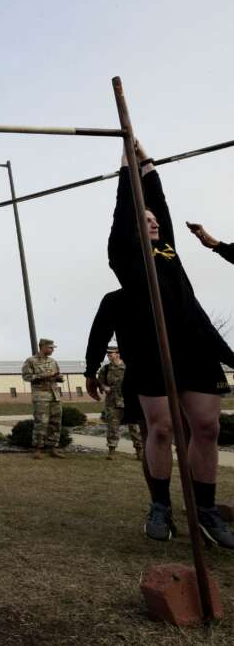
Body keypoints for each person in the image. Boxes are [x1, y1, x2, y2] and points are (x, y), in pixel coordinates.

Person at [108, 140, 234, 547]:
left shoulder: (168, 249)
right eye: (146, 220)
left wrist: (145, 157)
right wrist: (128, 162)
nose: (155, 223)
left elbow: (157, 200)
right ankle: (160, 505)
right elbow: (127, 203)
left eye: (156, 221)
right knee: (161, 429)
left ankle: (206, 511)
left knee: (207, 427)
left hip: (193, 344)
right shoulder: (123, 253)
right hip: (151, 349)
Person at [96, 346, 142, 460]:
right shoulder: (105, 369)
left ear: (118, 354)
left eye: (111, 353)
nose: (109, 355)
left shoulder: (129, 366)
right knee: (113, 427)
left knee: (135, 427)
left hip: (130, 401)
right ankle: (111, 451)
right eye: (108, 354)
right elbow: (100, 382)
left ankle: (139, 451)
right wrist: (104, 387)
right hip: (112, 402)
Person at [21, 338, 64, 459]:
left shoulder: (53, 361)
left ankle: (53, 448)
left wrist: (59, 377)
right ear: (42, 346)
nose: (52, 350)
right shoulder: (31, 361)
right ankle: (37, 449)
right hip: (41, 396)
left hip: (55, 396)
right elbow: (26, 376)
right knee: (41, 423)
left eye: (53, 348)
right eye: (50, 347)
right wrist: (43, 375)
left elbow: (57, 374)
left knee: (55, 422)